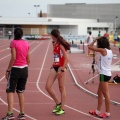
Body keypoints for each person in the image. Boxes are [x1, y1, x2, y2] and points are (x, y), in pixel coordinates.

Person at [2, 28, 30, 120]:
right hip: (25, 69)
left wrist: (8, 70)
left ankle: (10, 114)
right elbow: (28, 59)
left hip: (15, 69)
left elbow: (13, 57)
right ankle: (22, 113)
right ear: (22, 34)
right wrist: (24, 66)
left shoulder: (13, 43)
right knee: (20, 91)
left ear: (14, 34)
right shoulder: (26, 43)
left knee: (10, 91)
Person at [45, 29, 70, 115]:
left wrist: (62, 69)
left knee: (61, 88)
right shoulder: (54, 44)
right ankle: (58, 103)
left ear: (53, 36)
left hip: (61, 68)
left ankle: (62, 108)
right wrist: (53, 63)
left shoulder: (60, 45)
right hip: (55, 67)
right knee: (47, 87)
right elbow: (56, 56)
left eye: (51, 36)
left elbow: (66, 58)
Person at [88, 36, 113, 118]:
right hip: (106, 73)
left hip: (103, 75)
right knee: (99, 93)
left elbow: (90, 47)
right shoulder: (109, 51)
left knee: (106, 94)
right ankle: (97, 111)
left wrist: (95, 39)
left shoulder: (103, 50)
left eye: (98, 43)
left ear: (101, 43)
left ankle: (107, 112)